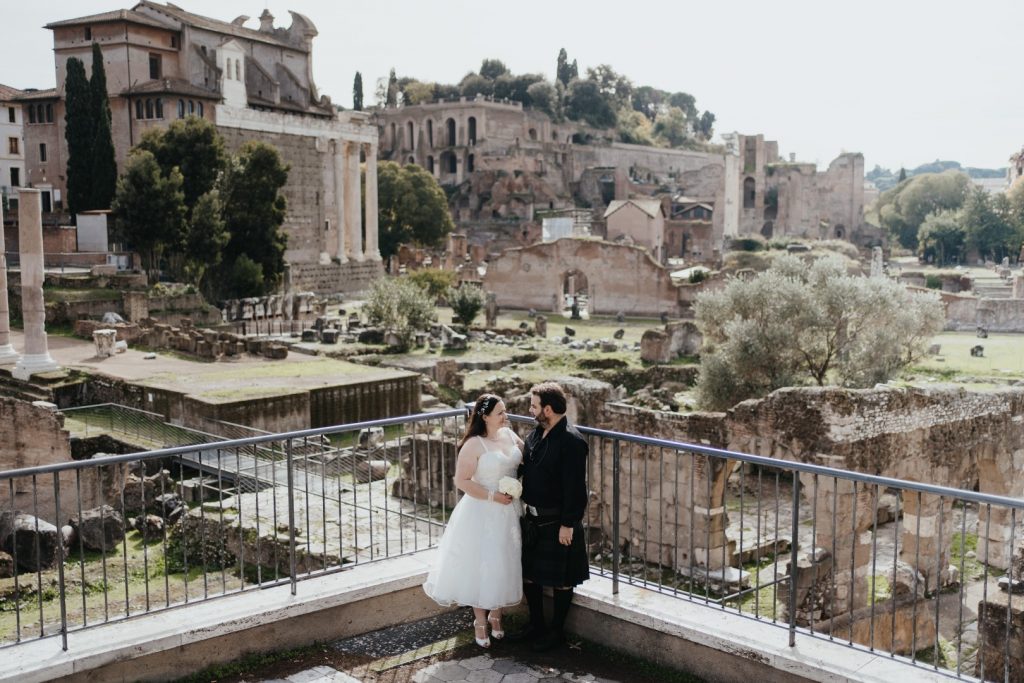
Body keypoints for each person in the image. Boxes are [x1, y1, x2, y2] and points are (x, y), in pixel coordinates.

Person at [422, 394, 524, 648]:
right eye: (500, 412)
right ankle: (480, 621)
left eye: (505, 410)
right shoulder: (473, 445)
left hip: (509, 512)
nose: (505, 415)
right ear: (485, 416)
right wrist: (492, 496)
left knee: (505, 560)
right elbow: (462, 481)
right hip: (482, 510)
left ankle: (497, 615)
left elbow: (526, 460)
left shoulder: (510, 436)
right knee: (483, 564)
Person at [513, 381, 589, 651]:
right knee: (530, 575)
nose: (529, 410)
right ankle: (536, 625)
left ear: (548, 408)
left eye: (533, 406)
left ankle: (556, 633)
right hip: (533, 519)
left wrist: (568, 524)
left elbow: (576, 489)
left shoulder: (572, 442)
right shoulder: (535, 435)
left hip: (558, 521)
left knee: (562, 580)